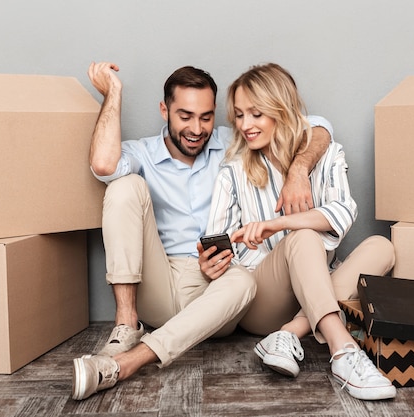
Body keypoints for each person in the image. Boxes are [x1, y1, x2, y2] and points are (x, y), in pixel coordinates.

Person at [71, 62, 333, 400]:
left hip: (217, 286)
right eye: (185, 116)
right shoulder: (143, 152)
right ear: (164, 110)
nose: (196, 128)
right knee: (124, 187)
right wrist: (114, 94)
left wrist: (299, 170)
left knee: (243, 280)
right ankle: (125, 324)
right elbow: (104, 166)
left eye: (206, 117)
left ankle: (129, 363)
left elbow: (318, 127)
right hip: (160, 282)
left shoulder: (231, 141)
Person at [200, 63, 397, 401]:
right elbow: (221, 243)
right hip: (263, 300)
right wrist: (218, 261)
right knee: (303, 238)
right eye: (239, 115)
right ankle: (343, 352)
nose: (245, 125)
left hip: (316, 286)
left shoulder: (326, 153)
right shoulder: (232, 172)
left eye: (256, 114)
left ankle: (292, 332)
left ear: (281, 109)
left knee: (382, 246)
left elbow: (344, 211)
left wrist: (278, 223)